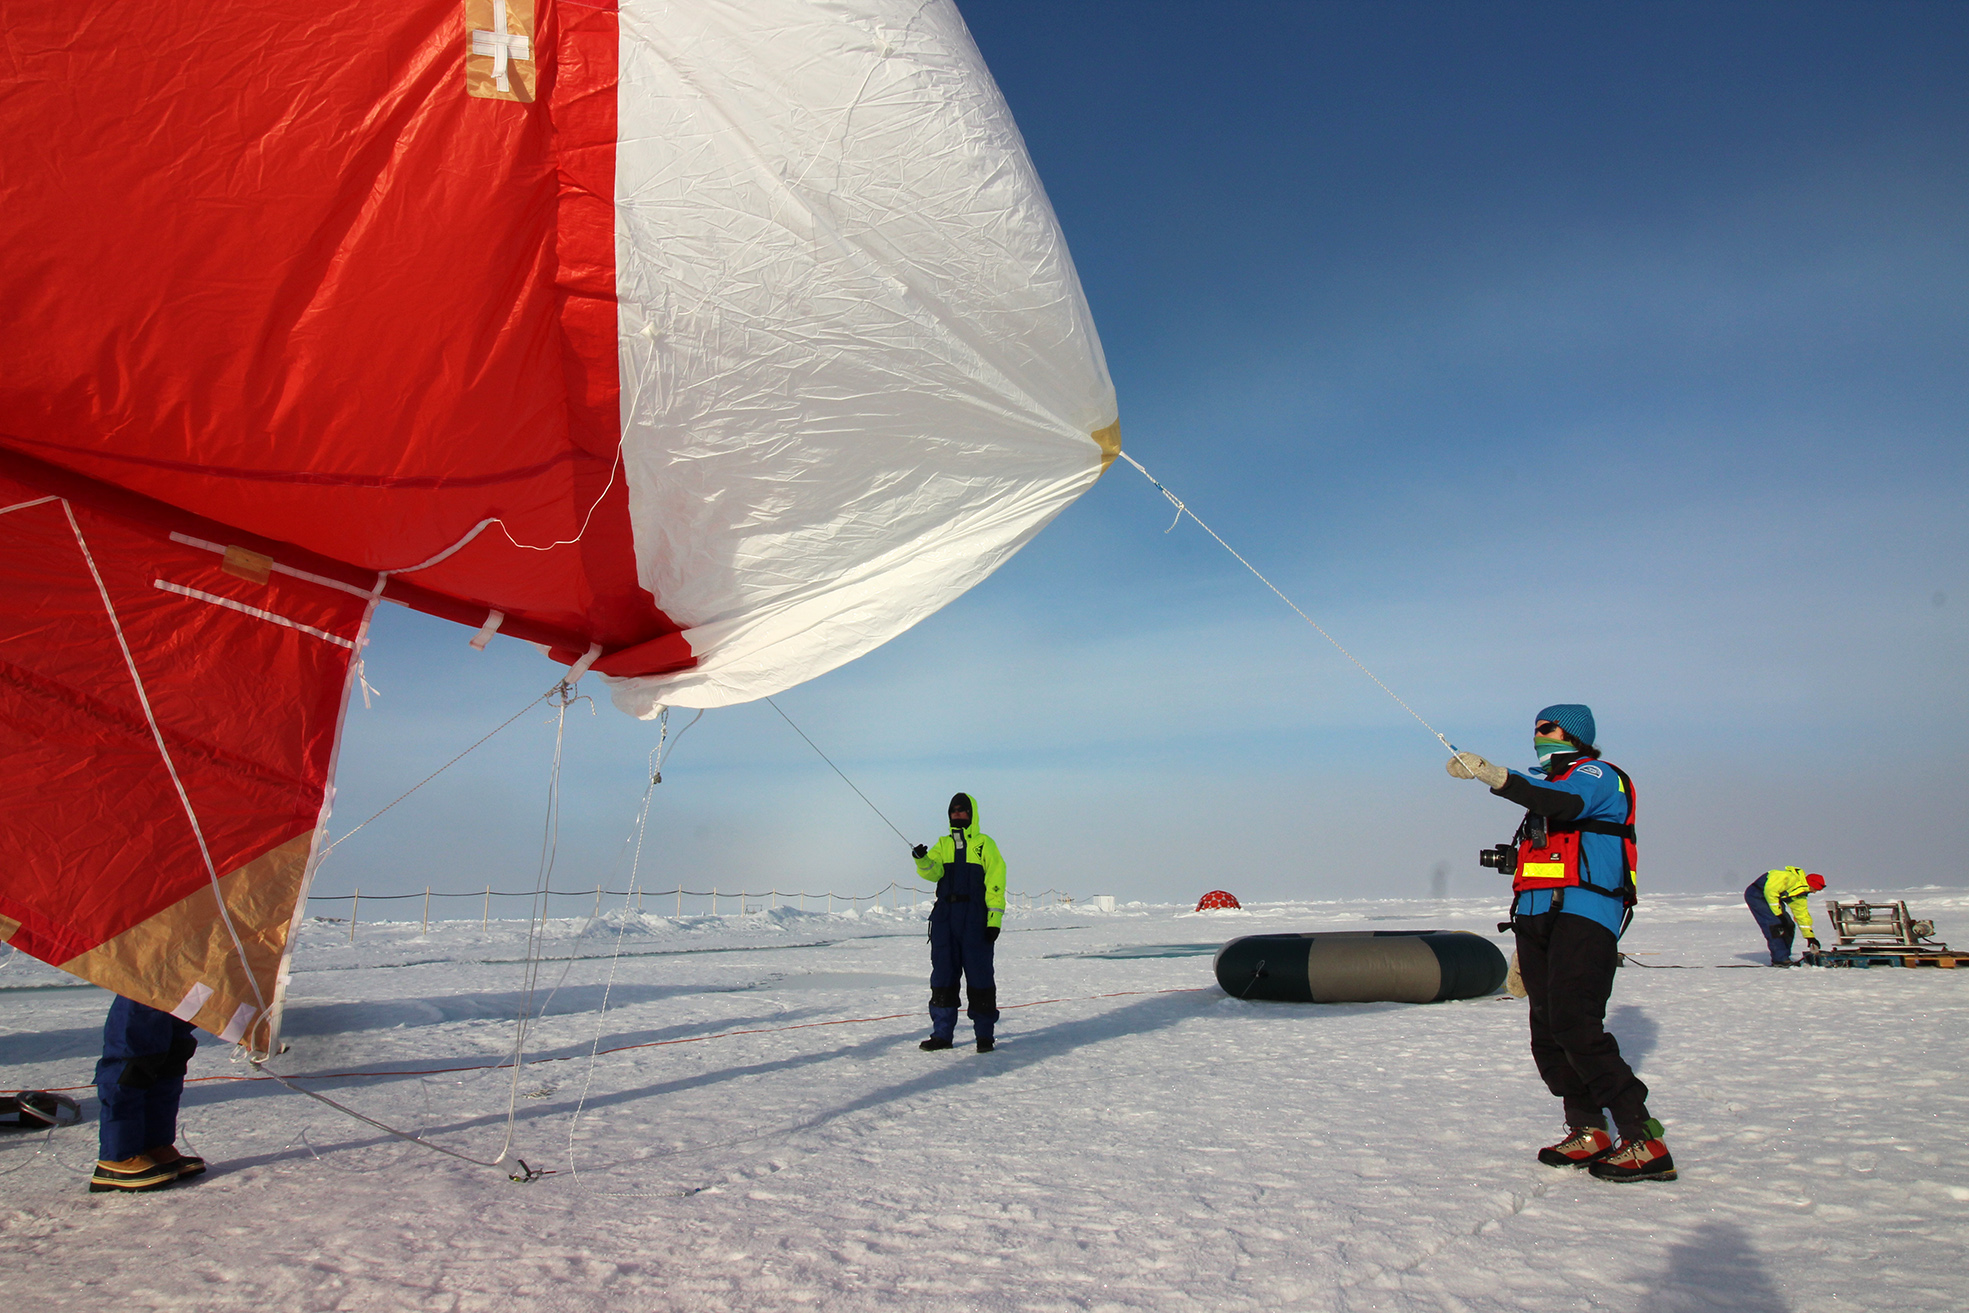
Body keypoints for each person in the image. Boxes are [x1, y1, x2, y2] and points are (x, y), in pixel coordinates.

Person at [1447, 704, 1675, 1183]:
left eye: (1547, 728)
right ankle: (1587, 1129)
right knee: (1548, 1032)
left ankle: (1641, 1137)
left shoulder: (1596, 774)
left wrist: (1495, 776)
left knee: (1576, 1023)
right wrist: (1526, 942)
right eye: (1534, 727)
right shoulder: (1546, 790)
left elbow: (1566, 806)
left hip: (1584, 914)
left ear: (1573, 735)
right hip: (1536, 920)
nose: (1538, 734)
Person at [910, 792, 1005, 1053]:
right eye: (954, 810)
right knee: (942, 977)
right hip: (945, 920)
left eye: (963, 810)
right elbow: (934, 873)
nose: (958, 814)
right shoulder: (943, 844)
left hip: (975, 919)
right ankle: (942, 1034)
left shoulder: (985, 845)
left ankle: (984, 1036)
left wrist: (993, 919)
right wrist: (922, 859)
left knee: (980, 976)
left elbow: (996, 882)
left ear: (972, 814)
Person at [89, 994, 206, 1191]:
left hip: (184, 971)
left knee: (174, 1047)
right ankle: (118, 1156)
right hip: (146, 972)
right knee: (134, 1047)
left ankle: (154, 1145)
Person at [1746, 866, 1827, 966]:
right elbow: (1770, 892)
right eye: (1814, 889)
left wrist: (1810, 937)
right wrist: (1779, 914)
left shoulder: (1800, 895)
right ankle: (1780, 959)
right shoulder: (1789, 878)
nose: (1814, 892)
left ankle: (1784, 956)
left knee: (1788, 925)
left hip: (1772, 899)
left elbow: (1802, 915)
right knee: (1775, 926)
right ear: (1810, 884)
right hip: (1756, 895)